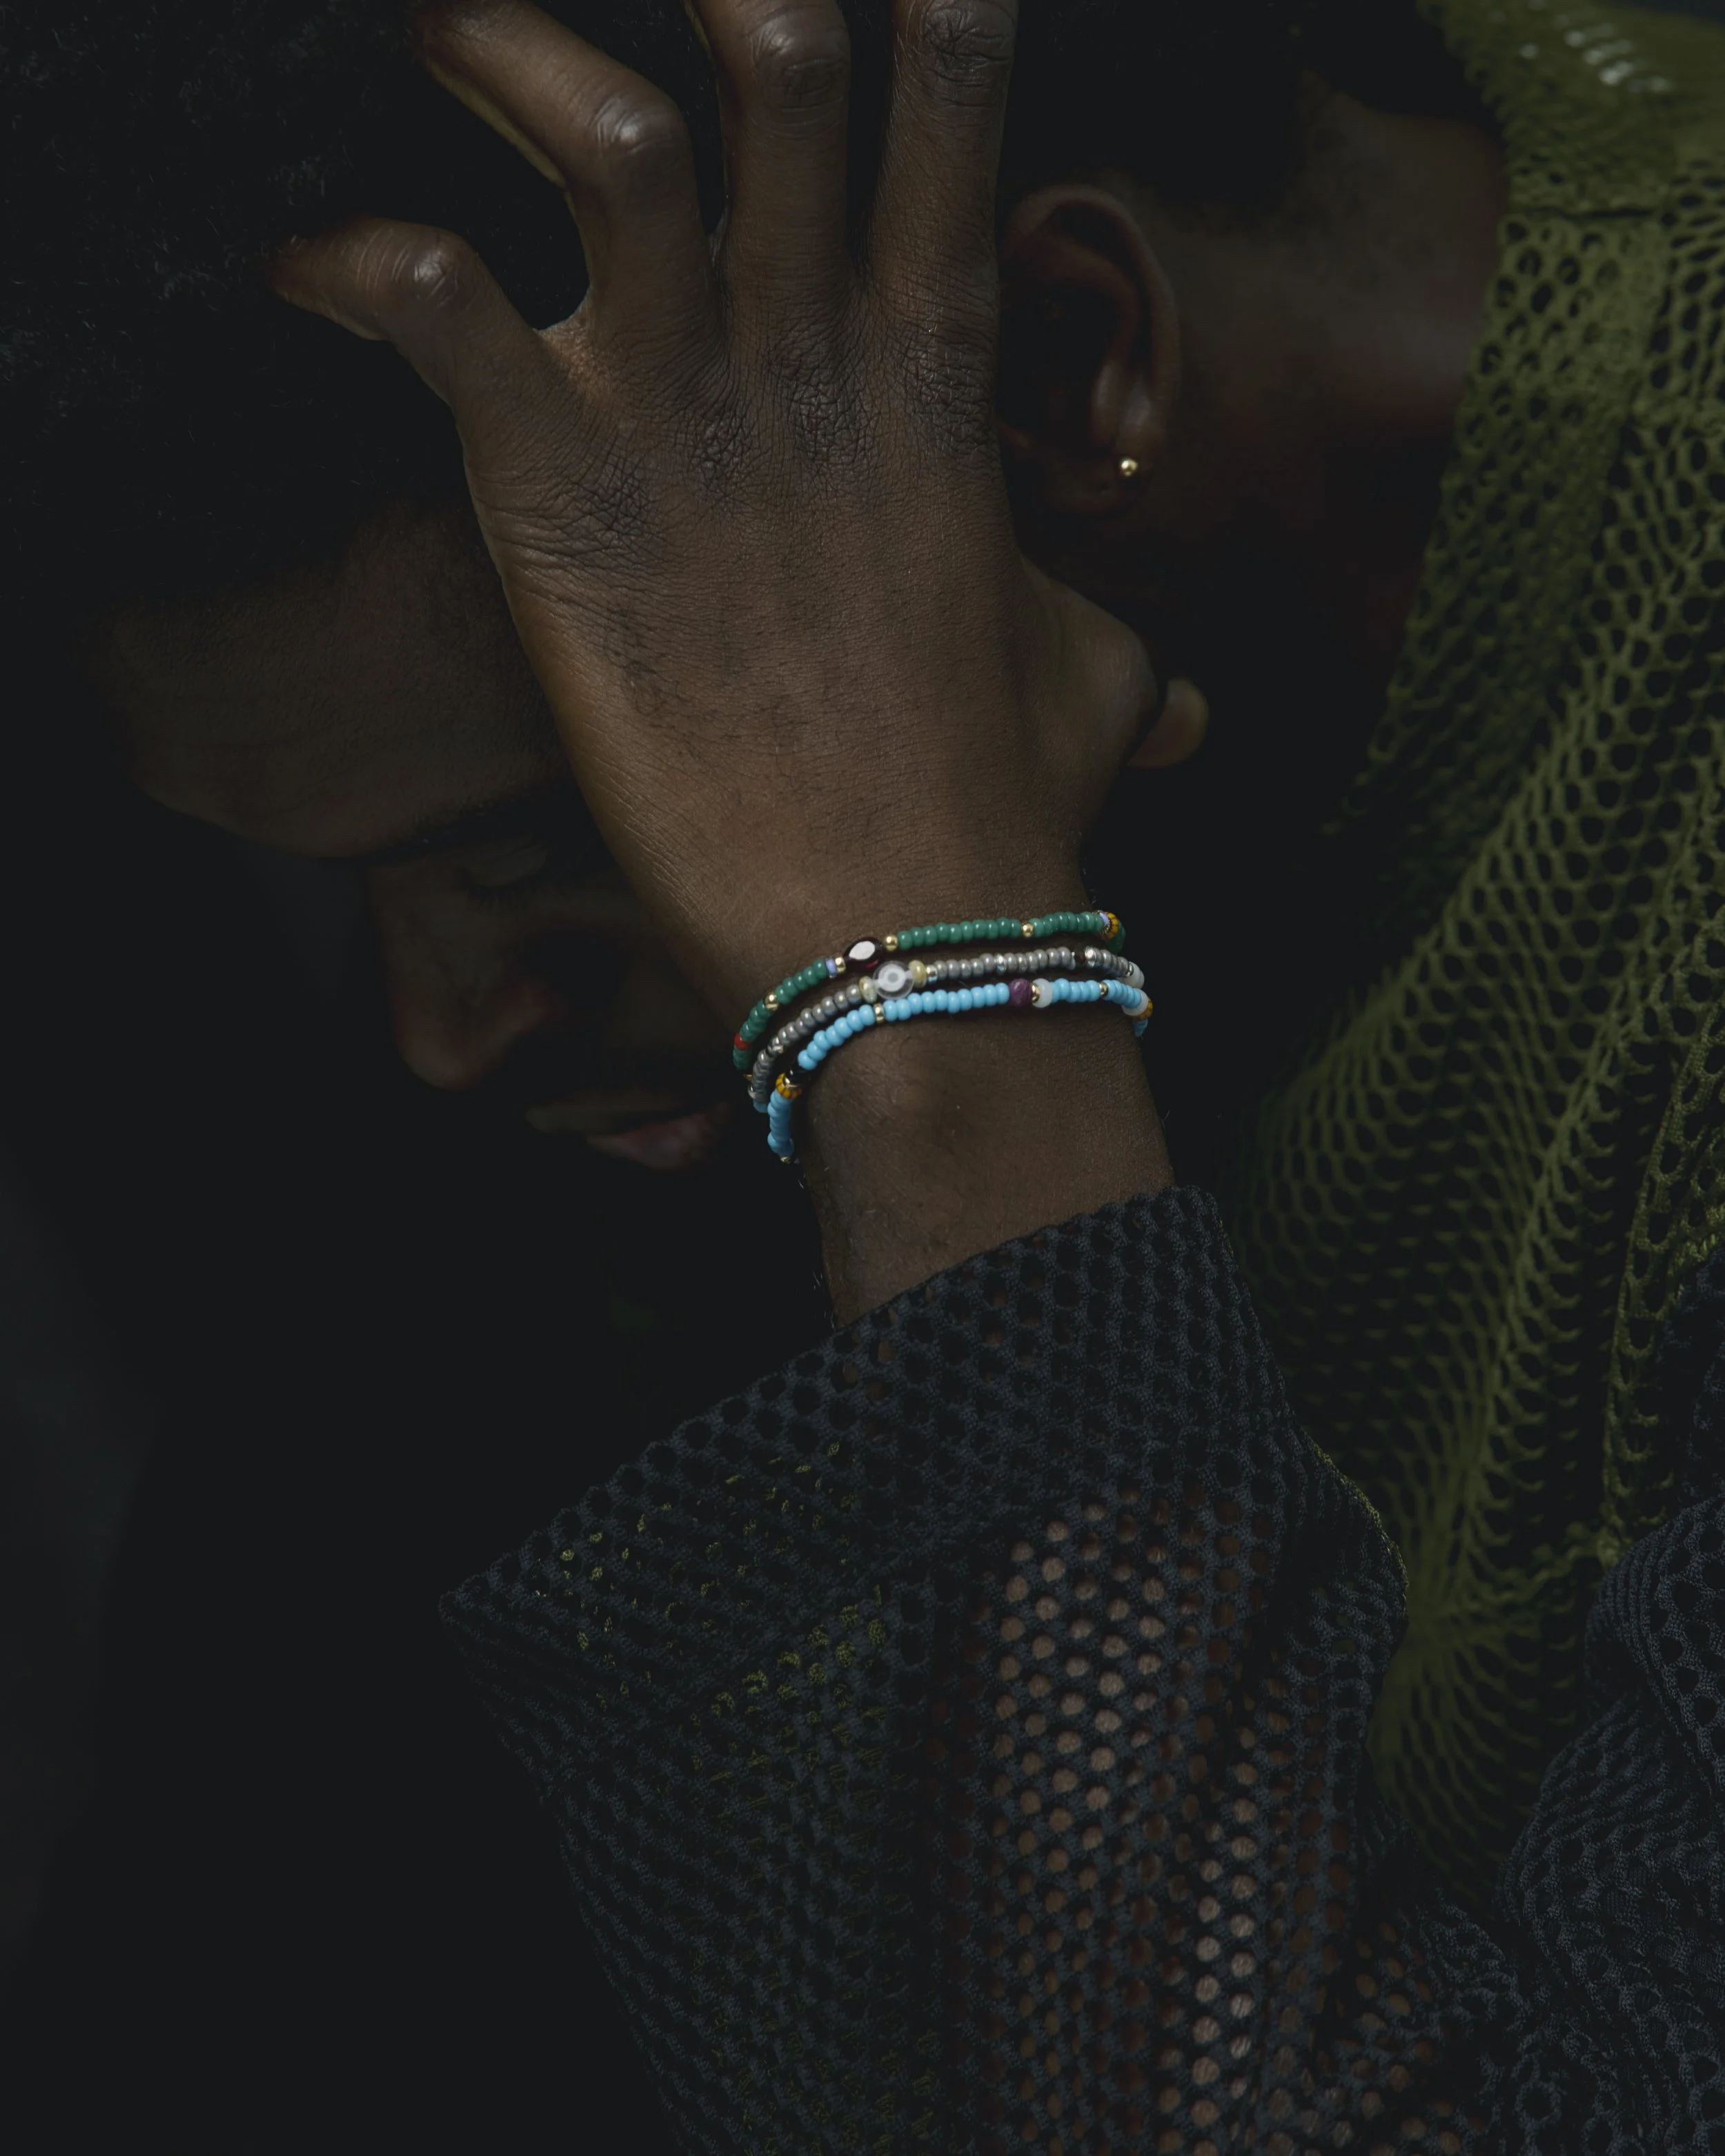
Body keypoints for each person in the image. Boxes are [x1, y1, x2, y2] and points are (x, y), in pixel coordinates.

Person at [8, 0, 1725, 2144]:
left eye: (555, 840)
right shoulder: (548, 1221)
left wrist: (927, 993)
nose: (448, 1032)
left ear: (1053, 370)